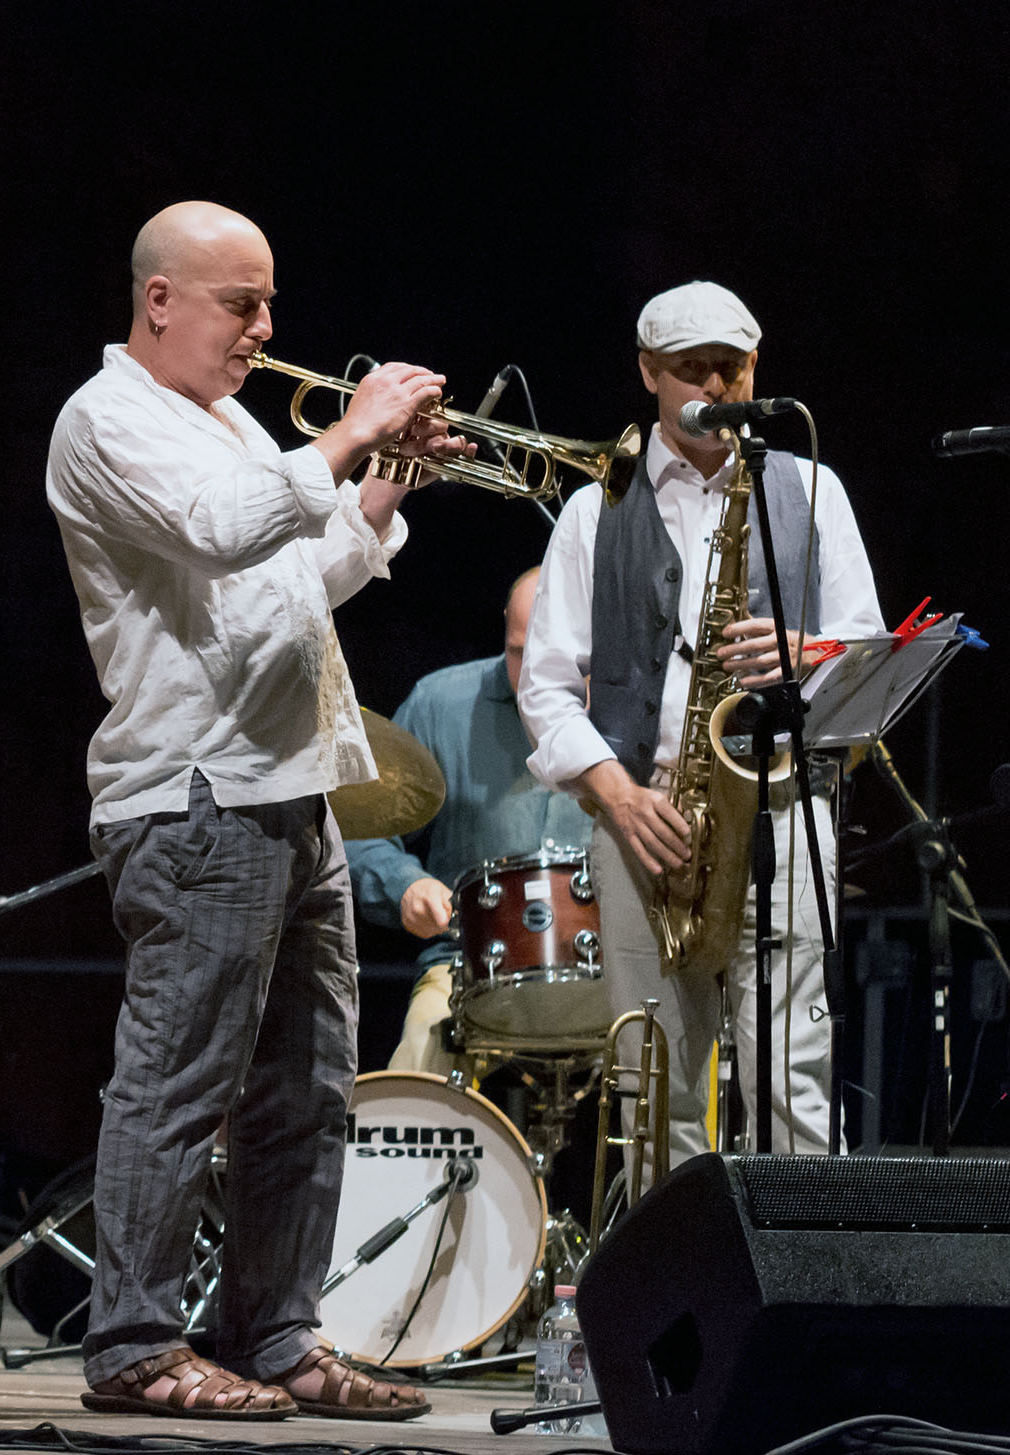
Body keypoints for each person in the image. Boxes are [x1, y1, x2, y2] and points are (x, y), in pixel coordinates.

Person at [46, 201, 464, 1423]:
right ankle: (130, 1344)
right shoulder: (105, 418)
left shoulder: (227, 420)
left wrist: (379, 488)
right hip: (194, 798)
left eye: (268, 303)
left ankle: (273, 1332)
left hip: (289, 792)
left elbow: (293, 578)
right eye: (243, 304)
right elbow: (228, 532)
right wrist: (347, 434)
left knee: (309, 1087)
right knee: (176, 1084)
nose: (264, 329)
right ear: (159, 298)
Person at [518, 281, 880, 1158]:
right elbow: (547, 688)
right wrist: (615, 792)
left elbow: (866, 652)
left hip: (785, 816)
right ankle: (672, 1295)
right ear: (648, 371)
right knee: (657, 1098)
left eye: (733, 366)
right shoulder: (591, 510)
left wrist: (810, 651)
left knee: (792, 1081)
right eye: (692, 368)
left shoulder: (811, 489)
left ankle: (805, 1291)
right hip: (647, 822)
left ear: (757, 368)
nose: (715, 387)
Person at [347, 568, 593, 1075]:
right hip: (465, 969)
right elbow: (358, 833)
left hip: (610, 973)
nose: (532, 678)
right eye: (519, 653)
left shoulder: (644, 715)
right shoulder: (441, 704)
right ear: (505, 627)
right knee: (416, 1083)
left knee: (672, 1081)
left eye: (557, 660)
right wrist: (406, 886)